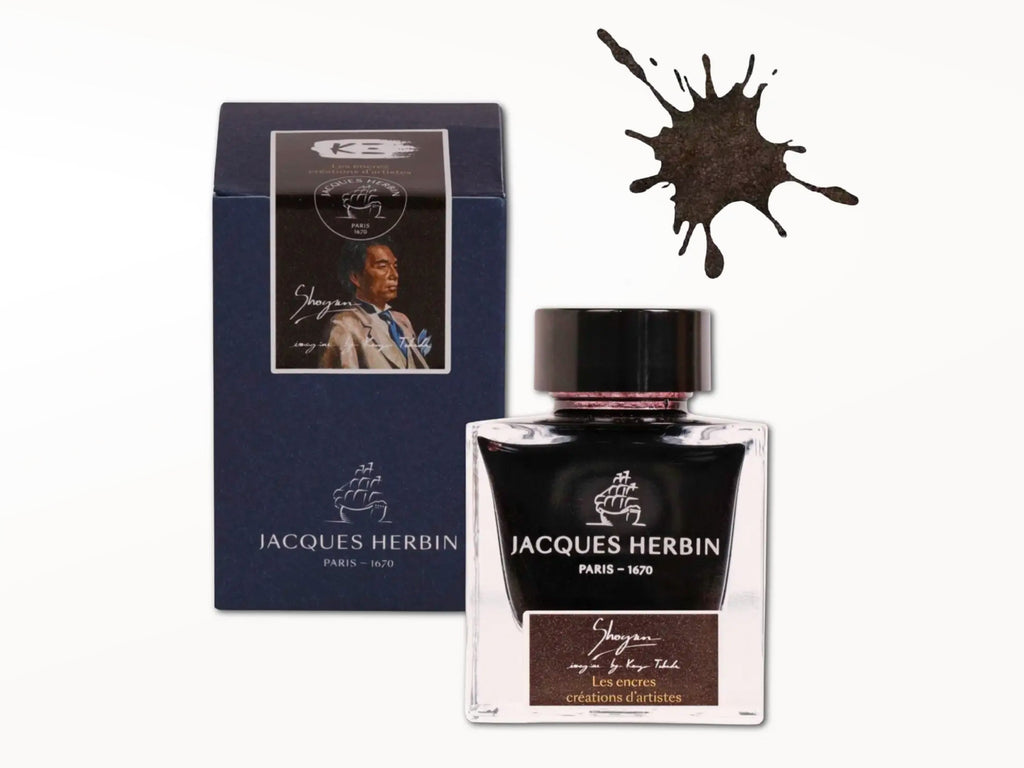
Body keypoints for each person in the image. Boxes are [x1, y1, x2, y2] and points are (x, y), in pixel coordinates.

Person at [319, 240, 429, 369]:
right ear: (355, 277)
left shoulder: (402, 321)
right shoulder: (343, 327)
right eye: (382, 266)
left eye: (395, 266)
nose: (395, 275)